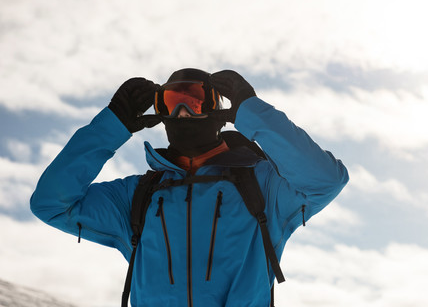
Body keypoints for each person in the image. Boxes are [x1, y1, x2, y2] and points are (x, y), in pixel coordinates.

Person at [30, 69, 349, 307]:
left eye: (196, 101)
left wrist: (251, 111)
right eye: (171, 103)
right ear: (161, 114)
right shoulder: (137, 196)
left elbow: (325, 180)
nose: (183, 113)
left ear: (219, 112)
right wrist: (113, 124)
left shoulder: (262, 185)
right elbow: (51, 203)